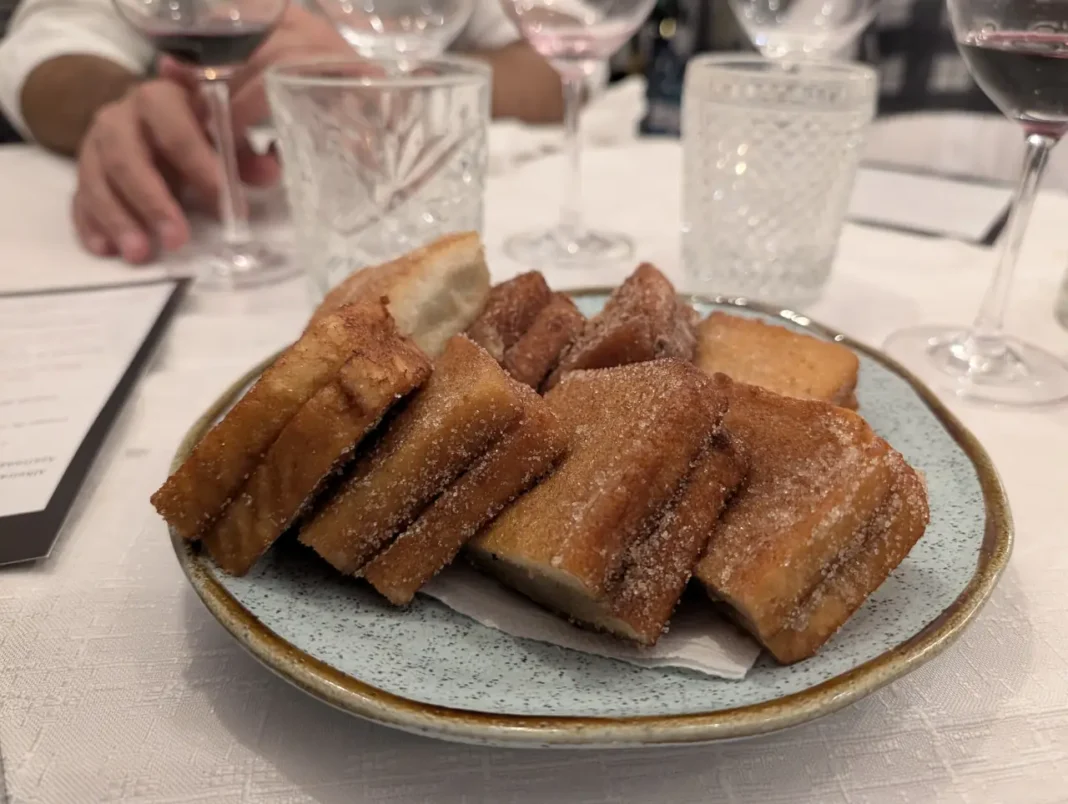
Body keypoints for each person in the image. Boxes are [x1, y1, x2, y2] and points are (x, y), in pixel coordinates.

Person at [0, 1, 564, 263]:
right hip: (208, 227)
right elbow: (49, 44)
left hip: (409, 217)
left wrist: (392, 79)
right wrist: (126, 104)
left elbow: (553, 53)